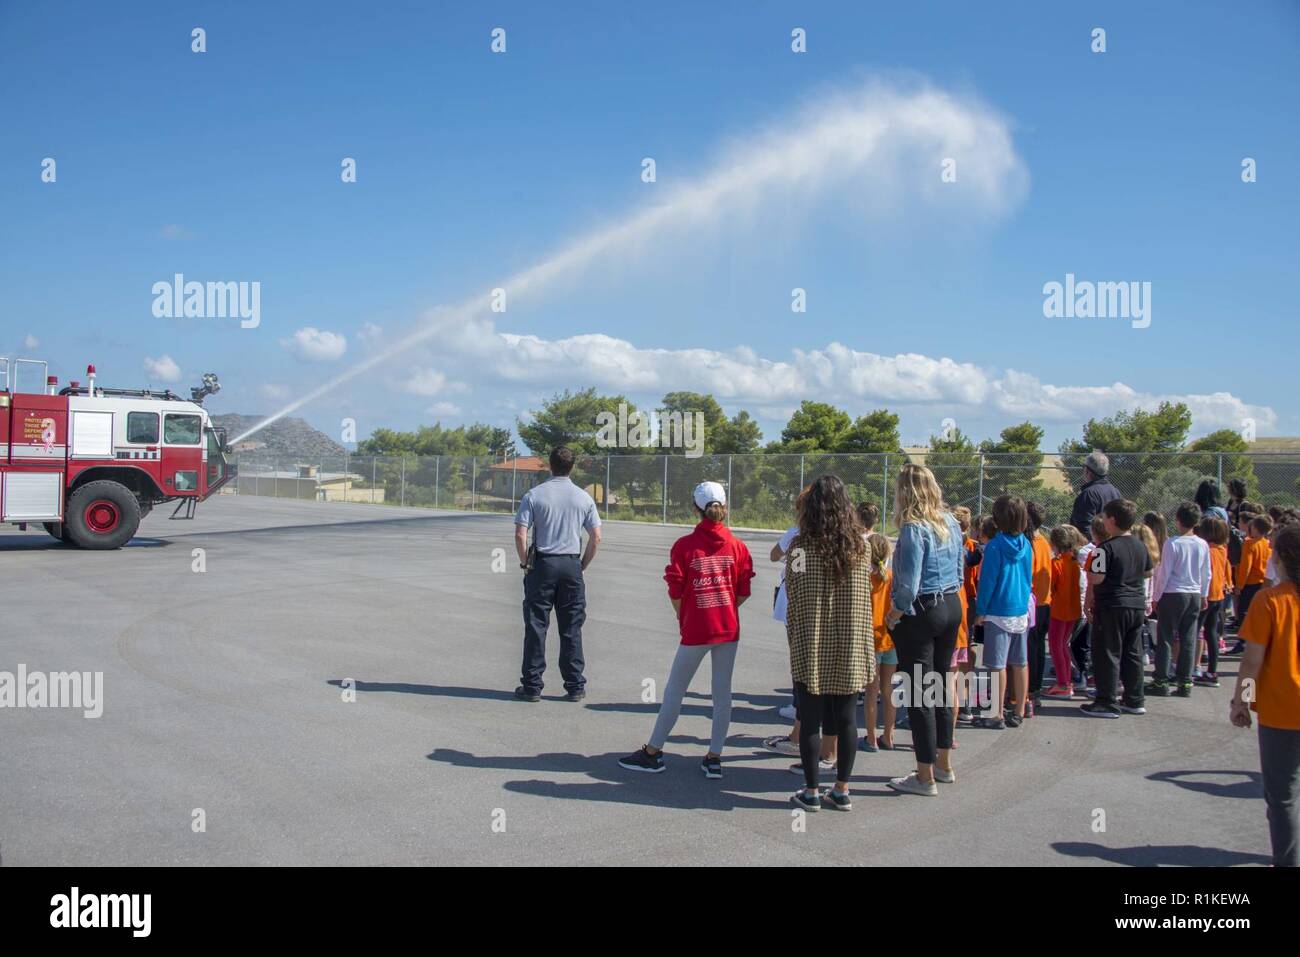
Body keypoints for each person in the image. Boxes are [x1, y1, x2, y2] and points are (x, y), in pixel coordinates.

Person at [620, 482, 753, 777]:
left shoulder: (685, 546)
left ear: (696, 509)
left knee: (675, 690)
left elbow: (676, 590)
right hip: (728, 629)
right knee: (722, 693)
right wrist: (724, 609)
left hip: (696, 629)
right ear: (725, 507)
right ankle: (714, 757)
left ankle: (653, 752)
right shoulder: (738, 546)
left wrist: (688, 617)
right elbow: (743, 591)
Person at [785, 475, 874, 812]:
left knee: (810, 720)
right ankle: (842, 788)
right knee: (848, 719)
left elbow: (792, 590)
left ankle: (810, 791)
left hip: (812, 641)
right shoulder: (861, 547)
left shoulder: (799, 547)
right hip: (850, 641)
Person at [884, 464, 963, 796]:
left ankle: (924, 775)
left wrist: (894, 614)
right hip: (950, 603)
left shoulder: (913, 529)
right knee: (941, 685)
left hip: (922, 611)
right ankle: (943, 764)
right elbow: (959, 566)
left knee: (920, 695)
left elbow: (909, 583)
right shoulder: (951, 522)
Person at [1230, 524, 1300, 867]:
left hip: (1284, 710)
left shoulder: (1270, 600)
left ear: (1283, 558)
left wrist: (1241, 701)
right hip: (1283, 710)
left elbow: (1251, 662)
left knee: (1283, 796)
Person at [513, 446, 602, 702]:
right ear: (572, 467)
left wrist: (525, 564)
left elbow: (521, 533)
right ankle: (574, 686)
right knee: (571, 627)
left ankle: (532, 686)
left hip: (543, 565)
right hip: (571, 565)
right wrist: (582, 564)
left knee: (536, 625)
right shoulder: (583, 498)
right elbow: (596, 537)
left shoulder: (534, 495)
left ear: (549, 465)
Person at [1082, 499, 1152, 718]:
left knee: (1107, 652)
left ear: (1112, 520)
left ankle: (1106, 701)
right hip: (1136, 605)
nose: (1103, 521)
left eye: (1104, 517)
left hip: (1112, 605)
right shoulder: (1141, 545)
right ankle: (1134, 699)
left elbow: (1096, 577)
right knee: (1132, 652)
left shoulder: (1104, 549)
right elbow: (1148, 572)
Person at [973, 495, 1034, 730]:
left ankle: (996, 712)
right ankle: (1019, 708)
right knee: (1020, 662)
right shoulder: (1026, 544)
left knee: (996, 665)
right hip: (1020, 608)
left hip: (998, 610)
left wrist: (981, 610)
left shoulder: (996, 546)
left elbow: (988, 581)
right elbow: (1028, 577)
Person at [1148, 502, 1211, 698]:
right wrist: (1203, 594)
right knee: (1188, 638)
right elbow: (1206, 572)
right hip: (1193, 593)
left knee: (1165, 637)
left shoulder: (1172, 543)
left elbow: (1164, 573)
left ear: (1178, 520)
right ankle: (1185, 681)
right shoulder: (1202, 544)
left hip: (1173, 593)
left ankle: (1161, 679)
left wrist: (1156, 597)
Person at [861, 532, 897, 752]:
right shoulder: (892, 576)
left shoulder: (865, 577)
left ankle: (871, 737)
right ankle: (889, 735)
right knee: (888, 688)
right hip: (890, 637)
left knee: (871, 692)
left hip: (871, 639)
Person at [1044, 525, 1086, 698]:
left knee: (1056, 646)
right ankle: (1066, 681)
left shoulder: (1057, 563)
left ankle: (1063, 683)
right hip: (1073, 609)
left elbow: (1051, 587)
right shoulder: (1075, 562)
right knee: (1063, 645)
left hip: (1059, 610)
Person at [1194, 516, 1233, 688]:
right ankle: (1211, 671)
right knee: (1211, 634)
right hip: (1218, 596)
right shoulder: (1222, 549)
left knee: (1193, 631)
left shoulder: (1206, 550)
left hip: (1206, 595)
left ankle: (1188, 669)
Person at [1026, 501, 1053, 715]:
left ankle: (1030, 690)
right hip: (1044, 601)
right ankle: (1035, 689)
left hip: (1035, 602)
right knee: (1037, 650)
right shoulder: (1044, 541)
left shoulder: (1033, 543)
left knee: (1030, 650)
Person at [1069, 450, 1122, 536]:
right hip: (1113, 544)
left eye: (1084, 467)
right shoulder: (1116, 492)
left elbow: (1083, 528)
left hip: (1095, 547)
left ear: (1087, 471)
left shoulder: (1088, 494)